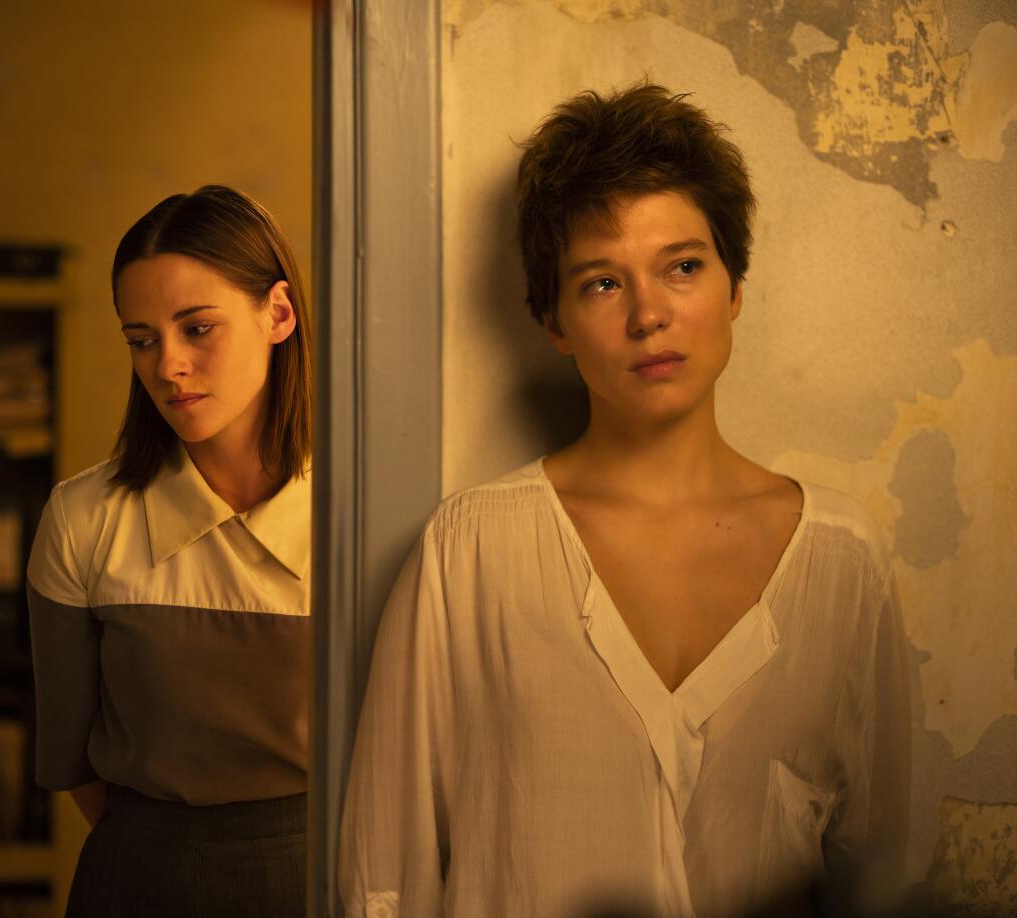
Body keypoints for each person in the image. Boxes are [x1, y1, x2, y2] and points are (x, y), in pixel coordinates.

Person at [339, 84, 910, 917]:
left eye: (683, 267)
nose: (651, 315)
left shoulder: (842, 562)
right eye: (603, 283)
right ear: (556, 323)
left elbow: (877, 869)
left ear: (734, 288)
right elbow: (383, 882)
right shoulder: (470, 552)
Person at [27, 185, 312, 916]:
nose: (168, 366)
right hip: (137, 881)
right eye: (142, 339)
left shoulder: (362, 518)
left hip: (324, 874)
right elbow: (69, 753)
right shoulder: (83, 518)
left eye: (198, 328)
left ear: (277, 313)